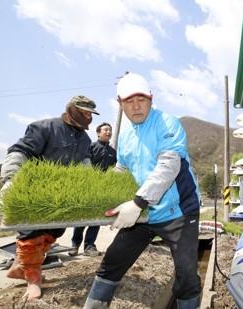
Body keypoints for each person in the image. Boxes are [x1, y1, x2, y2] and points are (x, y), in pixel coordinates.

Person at [83, 73, 201, 309]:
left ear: (151, 99)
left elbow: (169, 165)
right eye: (129, 101)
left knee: (186, 274)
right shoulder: (125, 134)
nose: (136, 106)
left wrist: (137, 202)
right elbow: (121, 169)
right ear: (120, 103)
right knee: (113, 262)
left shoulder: (167, 124)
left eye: (142, 100)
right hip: (143, 214)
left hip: (178, 212)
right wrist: (104, 200)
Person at [0, 95, 99, 301]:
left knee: (54, 231)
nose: (89, 117)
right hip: (35, 192)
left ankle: (21, 267)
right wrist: (10, 178)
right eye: (85, 112)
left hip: (61, 196)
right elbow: (20, 151)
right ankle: (33, 279)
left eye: (91, 114)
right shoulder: (44, 127)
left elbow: (84, 165)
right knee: (32, 234)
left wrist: (91, 189)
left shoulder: (85, 139)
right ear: (72, 110)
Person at [69, 122, 117, 257]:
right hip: (87, 187)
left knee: (96, 217)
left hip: (102, 189)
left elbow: (113, 170)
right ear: (98, 133)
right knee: (83, 216)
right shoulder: (90, 147)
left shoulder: (113, 152)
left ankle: (89, 246)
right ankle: (75, 244)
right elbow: (83, 164)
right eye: (105, 130)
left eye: (110, 130)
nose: (108, 132)